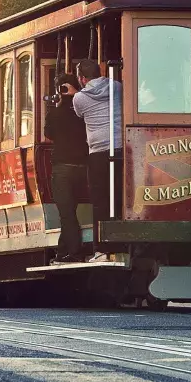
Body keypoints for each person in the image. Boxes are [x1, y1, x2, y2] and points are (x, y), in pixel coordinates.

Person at [73, 59, 123, 262]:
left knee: (100, 202)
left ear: (82, 78)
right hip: (121, 148)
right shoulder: (118, 87)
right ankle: (124, 245)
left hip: (98, 153)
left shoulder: (79, 98)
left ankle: (101, 249)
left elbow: (78, 115)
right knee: (120, 199)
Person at [43, 74, 88, 263]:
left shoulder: (56, 112)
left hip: (63, 168)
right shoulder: (84, 109)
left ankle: (75, 252)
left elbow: (49, 133)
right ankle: (63, 251)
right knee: (70, 212)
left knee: (66, 213)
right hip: (83, 167)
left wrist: (61, 103)